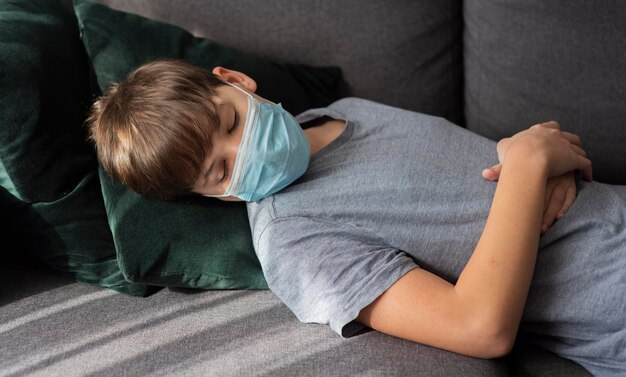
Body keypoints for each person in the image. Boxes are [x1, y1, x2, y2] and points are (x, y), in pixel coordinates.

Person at [87, 59, 625, 377]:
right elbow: (478, 327)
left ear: (235, 80)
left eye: (230, 121)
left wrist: (542, 160)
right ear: (203, 196)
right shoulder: (296, 244)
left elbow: (494, 177)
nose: (243, 148)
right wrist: (529, 167)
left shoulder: (350, 112)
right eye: (219, 170)